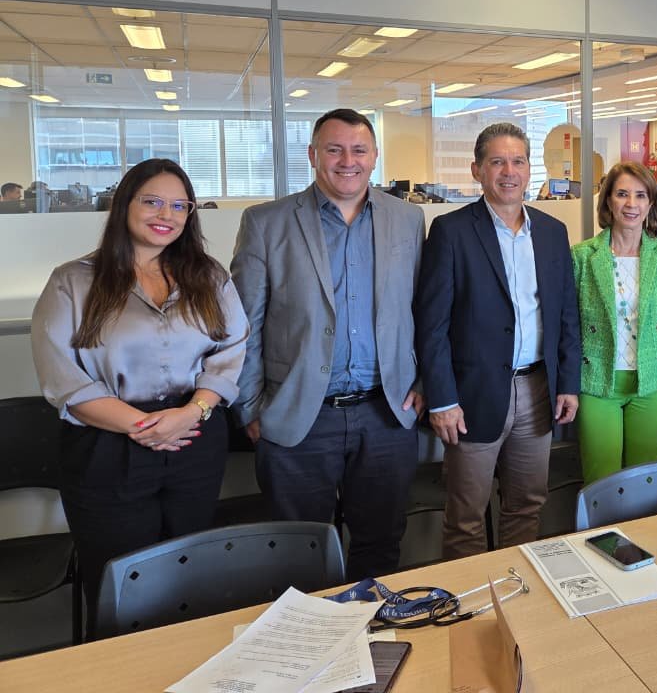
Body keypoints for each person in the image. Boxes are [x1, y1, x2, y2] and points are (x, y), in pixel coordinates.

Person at [30, 158, 247, 622]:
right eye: (152, 202)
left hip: (195, 436)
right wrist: (147, 427)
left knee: (190, 574)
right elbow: (62, 378)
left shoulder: (209, 276)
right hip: (108, 446)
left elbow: (231, 351)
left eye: (179, 206)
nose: (166, 215)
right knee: (121, 581)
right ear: (124, 204)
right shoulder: (74, 281)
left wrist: (193, 411)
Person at [231, 108, 424, 580]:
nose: (347, 161)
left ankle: (371, 624)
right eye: (334, 150)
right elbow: (243, 324)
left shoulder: (408, 218)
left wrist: (423, 382)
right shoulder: (266, 222)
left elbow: (423, 309)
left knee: (381, 545)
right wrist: (251, 407)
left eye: (359, 150)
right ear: (313, 155)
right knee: (300, 554)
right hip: (299, 414)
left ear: (375, 156)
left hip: (386, 412)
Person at [417, 122, 581, 559]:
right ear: (477, 170)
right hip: (471, 395)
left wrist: (568, 383)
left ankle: (518, 588)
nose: (509, 172)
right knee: (466, 516)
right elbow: (432, 325)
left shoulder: (552, 232)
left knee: (527, 505)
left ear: (530, 170)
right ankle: (470, 597)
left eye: (518, 161)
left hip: (537, 389)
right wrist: (441, 399)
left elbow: (566, 314)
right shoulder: (451, 231)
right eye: (497, 162)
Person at [572, 161, 657, 485]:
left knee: (644, 480)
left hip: (653, 383)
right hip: (598, 383)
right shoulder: (582, 256)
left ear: (651, 203)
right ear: (608, 201)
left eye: (641, 195)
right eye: (622, 194)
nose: (631, 204)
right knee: (602, 480)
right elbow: (568, 328)